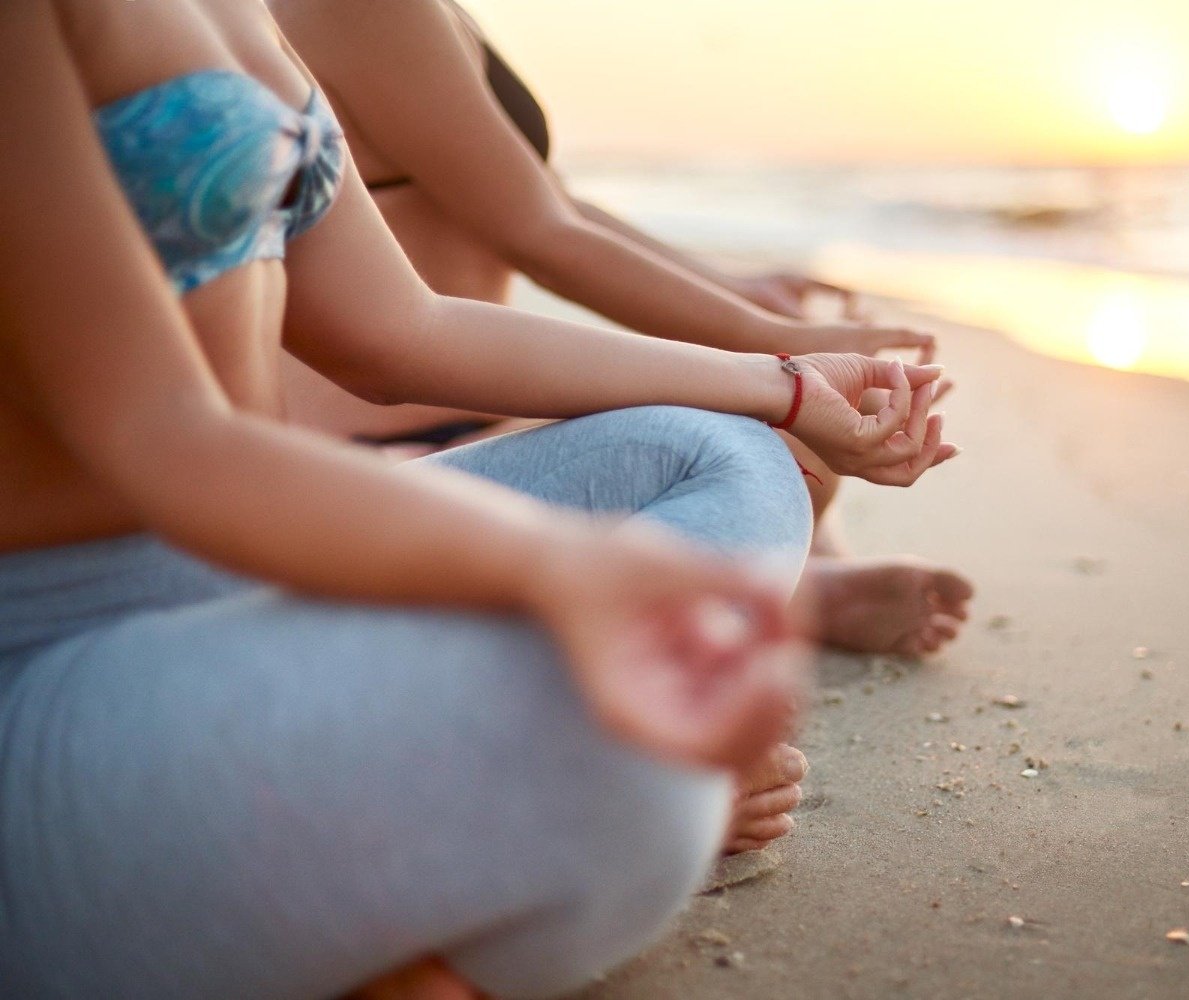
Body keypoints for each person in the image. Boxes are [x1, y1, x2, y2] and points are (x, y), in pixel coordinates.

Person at [0, 2, 956, 999]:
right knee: (632, 776)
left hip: (242, 572)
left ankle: (482, 838)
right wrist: (556, 565)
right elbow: (165, 436)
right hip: (44, 644)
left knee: (725, 456)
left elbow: (402, 331)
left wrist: (787, 386)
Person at [268, 0, 975, 666]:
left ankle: (798, 577)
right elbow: (542, 234)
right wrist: (776, 341)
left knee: (787, 445)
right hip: (375, 450)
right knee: (759, 445)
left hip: (474, 417)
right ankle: (794, 591)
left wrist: (739, 298)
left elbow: (546, 196)